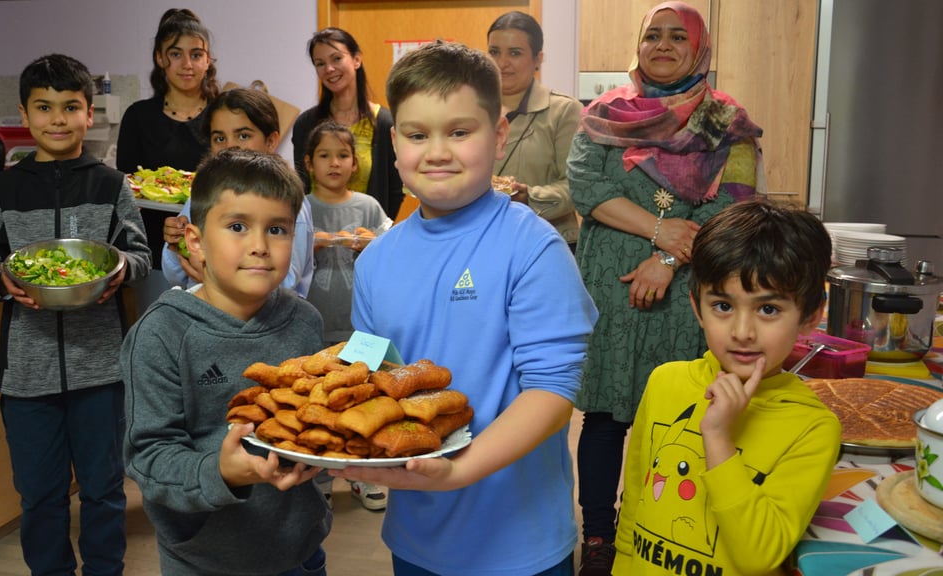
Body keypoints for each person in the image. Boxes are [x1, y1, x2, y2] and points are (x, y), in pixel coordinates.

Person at [330, 41, 599, 575]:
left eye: (459, 131)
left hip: (519, 543)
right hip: (416, 535)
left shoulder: (532, 247)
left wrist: (460, 470)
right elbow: (370, 371)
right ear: (394, 142)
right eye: (417, 134)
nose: (437, 152)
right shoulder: (377, 260)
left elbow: (553, 393)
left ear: (498, 135)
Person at [568, 4, 765, 573]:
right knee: (605, 418)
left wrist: (667, 258)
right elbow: (585, 188)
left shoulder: (727, 122)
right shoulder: (605, 113)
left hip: (688, 295)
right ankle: (600, 536)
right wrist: (660, 228)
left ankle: (653, 524)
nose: (663, 44)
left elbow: (737, 207)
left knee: (679, 414)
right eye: (652, 35)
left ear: (699, 48)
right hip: (611, 289)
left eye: (678, 36)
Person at [0, 53, 152, 576]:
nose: (57, 119)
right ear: (24, 116)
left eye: (70, 107)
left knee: (104, 489)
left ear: (89, 115)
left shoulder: (111, 184)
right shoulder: (1, 190)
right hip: (27, 376)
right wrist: (1, 280)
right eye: (44, 108)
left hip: (101, 369)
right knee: (40, 495)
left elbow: (138, 254)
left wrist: (120, 272)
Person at [121, 148, 331, 576]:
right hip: (203, 560)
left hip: (300, 552)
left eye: (277, 229)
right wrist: (221, 471)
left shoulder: (305, 322)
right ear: (195, 241)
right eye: (238, 226)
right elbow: (149, 458)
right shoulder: (162, 335)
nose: (259, 246)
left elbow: (315, 420)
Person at [613, 200, 841, 575]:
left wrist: (718, 438)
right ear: (697, 307)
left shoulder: (812, 428)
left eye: (768, 309)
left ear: (810, 316)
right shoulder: (664, 381)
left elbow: (759, 556)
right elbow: (636, 497)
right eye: (722, 306)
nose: (742, 332)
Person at [303, 120, 392, 512]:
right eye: (324, 156)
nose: (334, 164)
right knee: (320, 397)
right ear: (309, 163)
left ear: (355, 163)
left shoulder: (368, 206)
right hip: (314, 318)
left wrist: (373, 243)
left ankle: (360, 473)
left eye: (342, 156)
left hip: (362, 322)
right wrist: (309, 243)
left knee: (359, 396)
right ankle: (321, 474)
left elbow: (392, 245)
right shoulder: (301, 206)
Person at [160, 88, 315, 297]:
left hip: (268, 325)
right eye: (219, 138)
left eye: (243, 135)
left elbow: (283, 283)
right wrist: (175, 245)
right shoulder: (203, 194)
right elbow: (176, 274)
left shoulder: (286, 202)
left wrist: (215, 278)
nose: (231, 147)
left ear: (271, 141)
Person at [117, 8, 219, 269]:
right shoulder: (138, 116)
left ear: (208, 61)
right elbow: (127, 190)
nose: (187, 64)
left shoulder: (223, 113)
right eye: (176, 54)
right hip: (154, 248)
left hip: (218, 247)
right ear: (160, 58)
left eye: (196, 55)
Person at [487, 11, 583, 251]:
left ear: (538, 59)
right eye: (494, 52)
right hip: (484, 239)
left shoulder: (564, 111)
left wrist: (529, 196)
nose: (502, 63)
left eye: (515, 53)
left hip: (547, 242)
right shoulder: (472, 111)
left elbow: (578, 187)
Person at [292, 27, 404, 220]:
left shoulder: (385, 123)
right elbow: (301, 186)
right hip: (316, 239)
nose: (329, 69)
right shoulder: (306, 124)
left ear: (356, 59)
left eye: (336, 58)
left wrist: (379, 235)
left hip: (369, 239)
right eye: (320, 63)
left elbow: (396, 190)